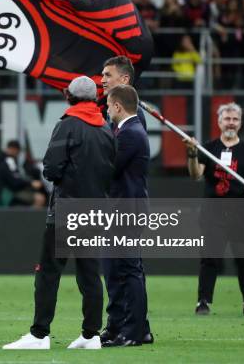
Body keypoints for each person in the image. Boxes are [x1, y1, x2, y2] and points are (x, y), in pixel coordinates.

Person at [3, 76, 115, 350]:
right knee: (90, 275)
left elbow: (51, 169)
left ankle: (40, 334)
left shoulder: (67, 125)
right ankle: (91, 335)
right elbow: (111, 172)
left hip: (66, 212)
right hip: (95, 212)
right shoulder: (105, 129)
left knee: (48, 273)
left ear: (68, 96)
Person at [183, 102, 244, 316]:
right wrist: (193, 155)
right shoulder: (208, 148)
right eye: (227, 119)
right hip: (214, 212)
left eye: (235, 119)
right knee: (210, 257)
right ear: (219, 121)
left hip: (242, 212)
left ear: (240, 123)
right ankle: (203, 302)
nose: (231, 123)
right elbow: (196, 175)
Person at [101, 85, 153, 347]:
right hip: (122, 209)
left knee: (129, 271)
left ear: (118, 106)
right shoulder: (128, 131)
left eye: (109, 106)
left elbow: (109, 168)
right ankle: (124, 327)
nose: (107, 110)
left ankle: (134, 332)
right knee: (118, 269)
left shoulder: (130, 133)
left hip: (127, 210)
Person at [0, 140, 46, 208]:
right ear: (13, 149)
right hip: (8, 192)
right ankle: (30, 218)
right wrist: (30, 183)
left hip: (6, 189)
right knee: (40, 199)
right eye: (18, 151)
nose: (18, 153)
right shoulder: (9, 161)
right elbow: (14, 181)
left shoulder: (2, 159)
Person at [100, 56, 148, 130]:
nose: (102, 80)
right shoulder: (109, 108)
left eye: (108, 75)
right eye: (103, 75)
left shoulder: (131, 112)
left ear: (124, 79)